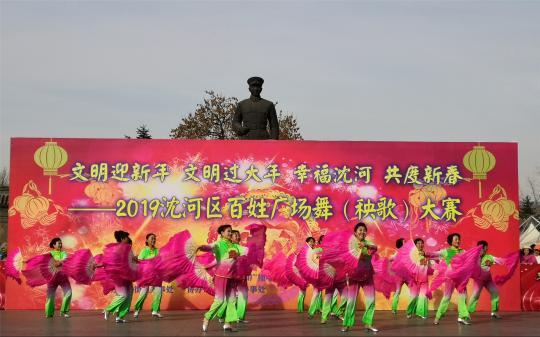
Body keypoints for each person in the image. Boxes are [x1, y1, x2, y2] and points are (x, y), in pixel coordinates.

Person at [201, 224, 243, 332]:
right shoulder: (219, 244)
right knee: (219, 300)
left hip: (231, 277)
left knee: (232, 300)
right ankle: (207, 318)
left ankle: (227, 323)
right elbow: (208, 248)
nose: (230, 233)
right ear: (222, 233)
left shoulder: (232, 245)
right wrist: (199, 247)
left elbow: (221, 260)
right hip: (221, 276)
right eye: (228, 231)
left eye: (231, 231)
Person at [341, 223, 378, 332]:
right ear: (355, 232)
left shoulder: (369, 243)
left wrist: (365, 246)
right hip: (354, 276)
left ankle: (368, 323)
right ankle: (347, 324)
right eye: (360, 230)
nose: (362, 232)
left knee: (371, 300)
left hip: (367, 275)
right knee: (351, 301)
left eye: (364, 230)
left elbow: (374, 248)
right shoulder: (350, 245)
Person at [434, 233, 471, 325]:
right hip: (450, 278)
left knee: (463, 296)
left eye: (458, 239)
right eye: (455, 239)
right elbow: (434, 254)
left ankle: (461, 317)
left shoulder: (463, 251)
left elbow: (469, 260)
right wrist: (425, 253)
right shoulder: (446, 251)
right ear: (451, 241)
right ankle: (438, 316)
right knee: (447, 297)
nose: (458, 241)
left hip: (460, 279)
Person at [104, 231, 138, 323]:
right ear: (122, 238)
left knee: (129, 296)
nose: (128, 238)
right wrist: (99, 265)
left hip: (128, 276)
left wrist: (135, 259)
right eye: (127, 237)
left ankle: (120, 317)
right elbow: (109, 261)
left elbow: (132, 260)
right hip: (118, 277)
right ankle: (108, 309)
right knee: (123, 295)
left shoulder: (129, 248)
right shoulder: (115, 249)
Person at [467, 241, 502, 319]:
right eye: (480, 248)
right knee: (475, 295)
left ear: (486, 247)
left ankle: (494, 312)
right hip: (479, 280)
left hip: (488, 280)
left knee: (495, 292)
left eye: (483, 247)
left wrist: (508, 261)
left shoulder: (490, 257)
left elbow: (500, 260)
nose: (481, 249)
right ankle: (468, 312)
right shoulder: (475, 257)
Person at [133, 233, 163, 319]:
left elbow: (161, 262)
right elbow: (140, 262)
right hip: (146, 276)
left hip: (157, 276)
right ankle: (137, 310)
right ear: (147, 240)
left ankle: (155, 311)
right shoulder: (144, 251)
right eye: (151, 238)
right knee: (143, 293)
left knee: (158, 293)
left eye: (154, 238)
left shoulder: (158, 251)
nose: (153, 240)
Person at [45, 238, 72, 318]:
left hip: (63, 277)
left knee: (68, 293)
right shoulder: (49, 254)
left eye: (61, 243)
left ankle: (63, 311)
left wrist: (59, 262)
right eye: (58, 243)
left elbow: (65, 259)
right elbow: (45, 264)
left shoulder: (64, 253)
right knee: (50, 296)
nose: (60, 245)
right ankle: (49, 313)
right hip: (52, 278)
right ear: (54, 245)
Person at [391, 238, 406, 315]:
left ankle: (413, 309)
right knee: (397, 292)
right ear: (401, 244)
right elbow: (391, 259)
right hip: (399, 276)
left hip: (407, 276)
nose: (405, 243)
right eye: (404, 242)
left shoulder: (407, 252)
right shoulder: (397, 253)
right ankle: (394, 309)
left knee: (414, 290)